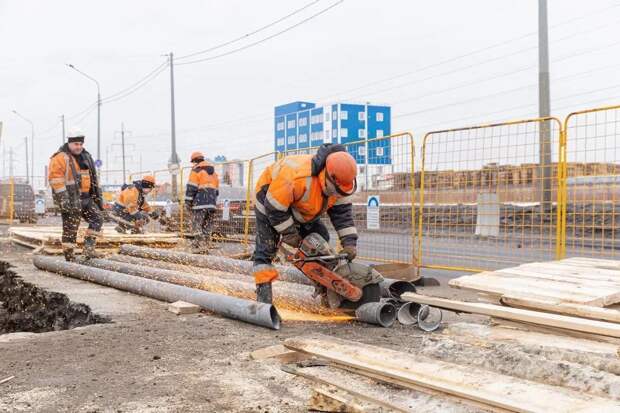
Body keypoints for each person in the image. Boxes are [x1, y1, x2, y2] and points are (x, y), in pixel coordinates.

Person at [252, 143, 358, 304]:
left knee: (320, 243)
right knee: (266, 249)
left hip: (302, 208)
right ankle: (264, 298)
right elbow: (275, 208)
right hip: (270, 201)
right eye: (336, 191)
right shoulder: (297, 176)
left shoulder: (342, 184)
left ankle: (326, 291)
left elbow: (343, 217)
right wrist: (289, 233)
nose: (337, 195)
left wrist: (349, 243)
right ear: (326, 176)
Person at [48, 128, 104, 261]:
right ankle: (69, 256)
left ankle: (88, 250)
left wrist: (98, 198)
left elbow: (94, 179)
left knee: (97, 218)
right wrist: (64, 200)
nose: (79, 147)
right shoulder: (60, 158)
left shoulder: (86, 157)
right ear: (69, 143)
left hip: (86, 198)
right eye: (76, 144)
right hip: (70, 199)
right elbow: (56, 180)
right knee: (71, 227)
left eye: (80, 144)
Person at [184, 151, 219, 253]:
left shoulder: (196, 171)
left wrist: (188, 202)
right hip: (212, 204)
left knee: (197, 224)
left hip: (200, 203)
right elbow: (216, 191)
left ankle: (198, 245)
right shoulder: (214, 173)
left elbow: (191, 188)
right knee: (207, 224)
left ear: (195, 161)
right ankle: (207, 244)